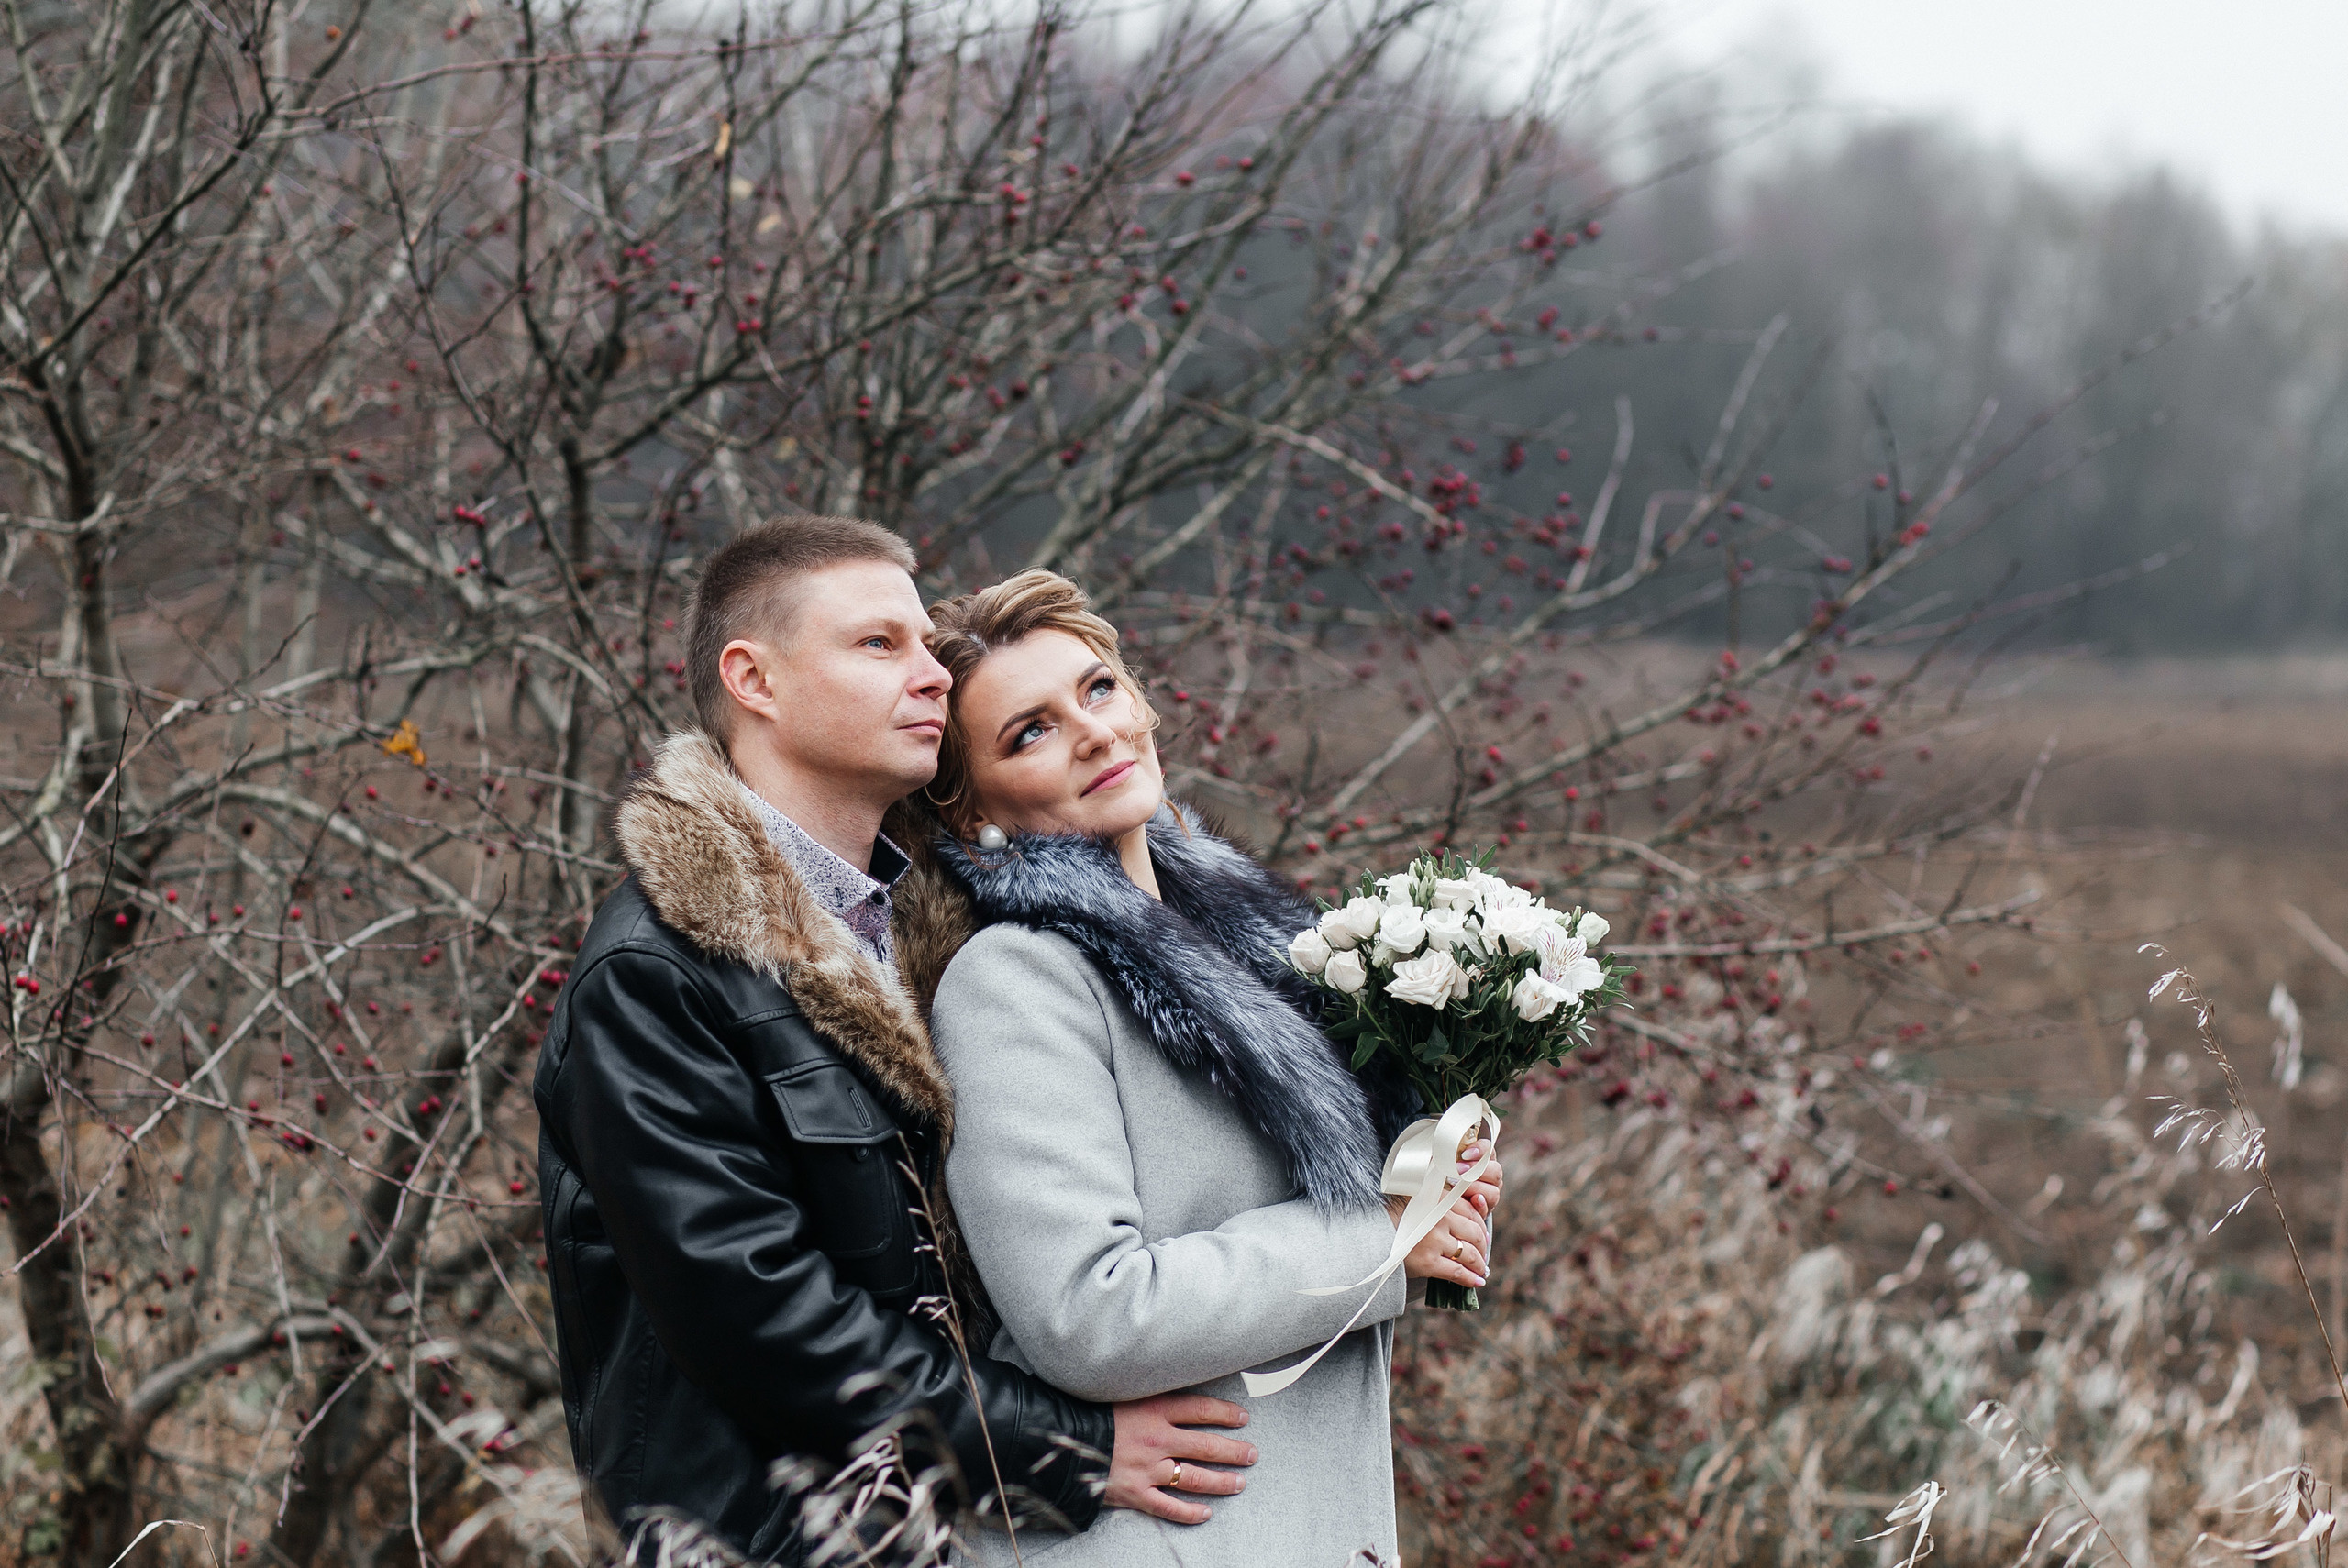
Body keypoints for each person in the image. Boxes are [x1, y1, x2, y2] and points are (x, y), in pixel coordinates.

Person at [534, 520, 1259, 1564]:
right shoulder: (657, 970)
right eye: (880, 646)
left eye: (926, 645)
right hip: (767, 1544)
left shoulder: (936, 934)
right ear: (755, 680)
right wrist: (1060, 1445)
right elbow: (759, 1321)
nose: (930, 676)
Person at [903, 569, 1503, 1567]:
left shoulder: (1260, 941)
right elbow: (1088, 1312)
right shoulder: (1016, 979)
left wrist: (1434, 1185)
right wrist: (1378, 1240)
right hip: (1153, 1541)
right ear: (972, 817)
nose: (1094, 730)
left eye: (1098, 689)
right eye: (1030, 732)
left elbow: (1322, 1215)